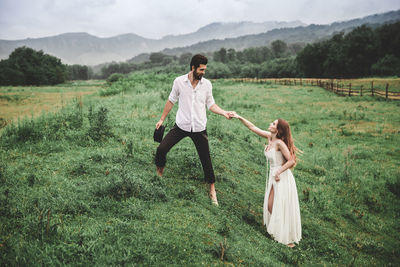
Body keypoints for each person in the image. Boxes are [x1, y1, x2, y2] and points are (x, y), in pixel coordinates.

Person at [155, 54, 234, 206]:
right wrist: (161, 119)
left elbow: (211, 105)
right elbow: (171, 101)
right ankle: (159, 173)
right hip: (181, 126)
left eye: (205, 69)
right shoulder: (179, 82)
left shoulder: (207, 85)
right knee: (161, 149)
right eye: (201, 69)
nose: (204, 72)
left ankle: (212, 190)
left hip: (199, 128)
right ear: (193, 68)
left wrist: (224, 112)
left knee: (206, 161)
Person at [232, 113, 301, 247]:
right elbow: (252, 127)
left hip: (281, 177)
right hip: (273, 176)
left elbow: (291, 160)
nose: (270, 124)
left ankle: (286, 239)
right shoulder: (270, 137)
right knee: (271, 206)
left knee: (275, 205)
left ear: (278, 130)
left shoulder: (280, 143)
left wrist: (279, 171)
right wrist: (239, 117)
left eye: (273, 124)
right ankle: (278, 231)